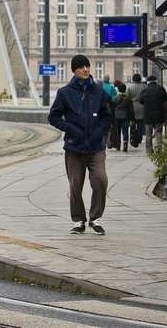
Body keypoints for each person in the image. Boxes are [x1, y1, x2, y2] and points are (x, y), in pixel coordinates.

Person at [49, 55, 111, 235]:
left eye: (87, 66)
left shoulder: (99, 92)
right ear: (74, 70)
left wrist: (100, 130)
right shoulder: (64, 93)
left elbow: (107, 115)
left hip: (96, 146)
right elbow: (53, 117)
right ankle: (79, 220)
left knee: (100, 179)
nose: (85, 69)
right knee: (75, 184)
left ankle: (95, 218)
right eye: (81, 67)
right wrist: (69, 128)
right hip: (74, 147)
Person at [140, 75, 167, 154]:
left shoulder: (145, 90)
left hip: (148, 115)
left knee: (148, 134)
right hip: (159, 114)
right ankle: (158, 149)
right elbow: (165, 99)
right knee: (158, 132)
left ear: (148, 81)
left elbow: (141, 101)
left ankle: (149, 150)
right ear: (155, 81)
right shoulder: (161, 88)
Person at [126, 73, 146, 147]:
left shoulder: (130, 87)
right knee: (141, 124)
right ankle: (139, 138)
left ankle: (133, 137)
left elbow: (127, 98)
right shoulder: (144, 86)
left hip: (133, 107)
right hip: (142, 107)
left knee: (133, 123)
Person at [113, 83, 134, 152]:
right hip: (126, 117)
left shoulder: (115, 98)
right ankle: (125, 145)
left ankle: (118, 145)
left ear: (118, 89)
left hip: (116, 117)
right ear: (125, 89)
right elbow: (131, 110)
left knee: (117, 132)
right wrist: (132, 119)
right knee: (125, 131)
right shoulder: (128, 99)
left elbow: (112, 109)